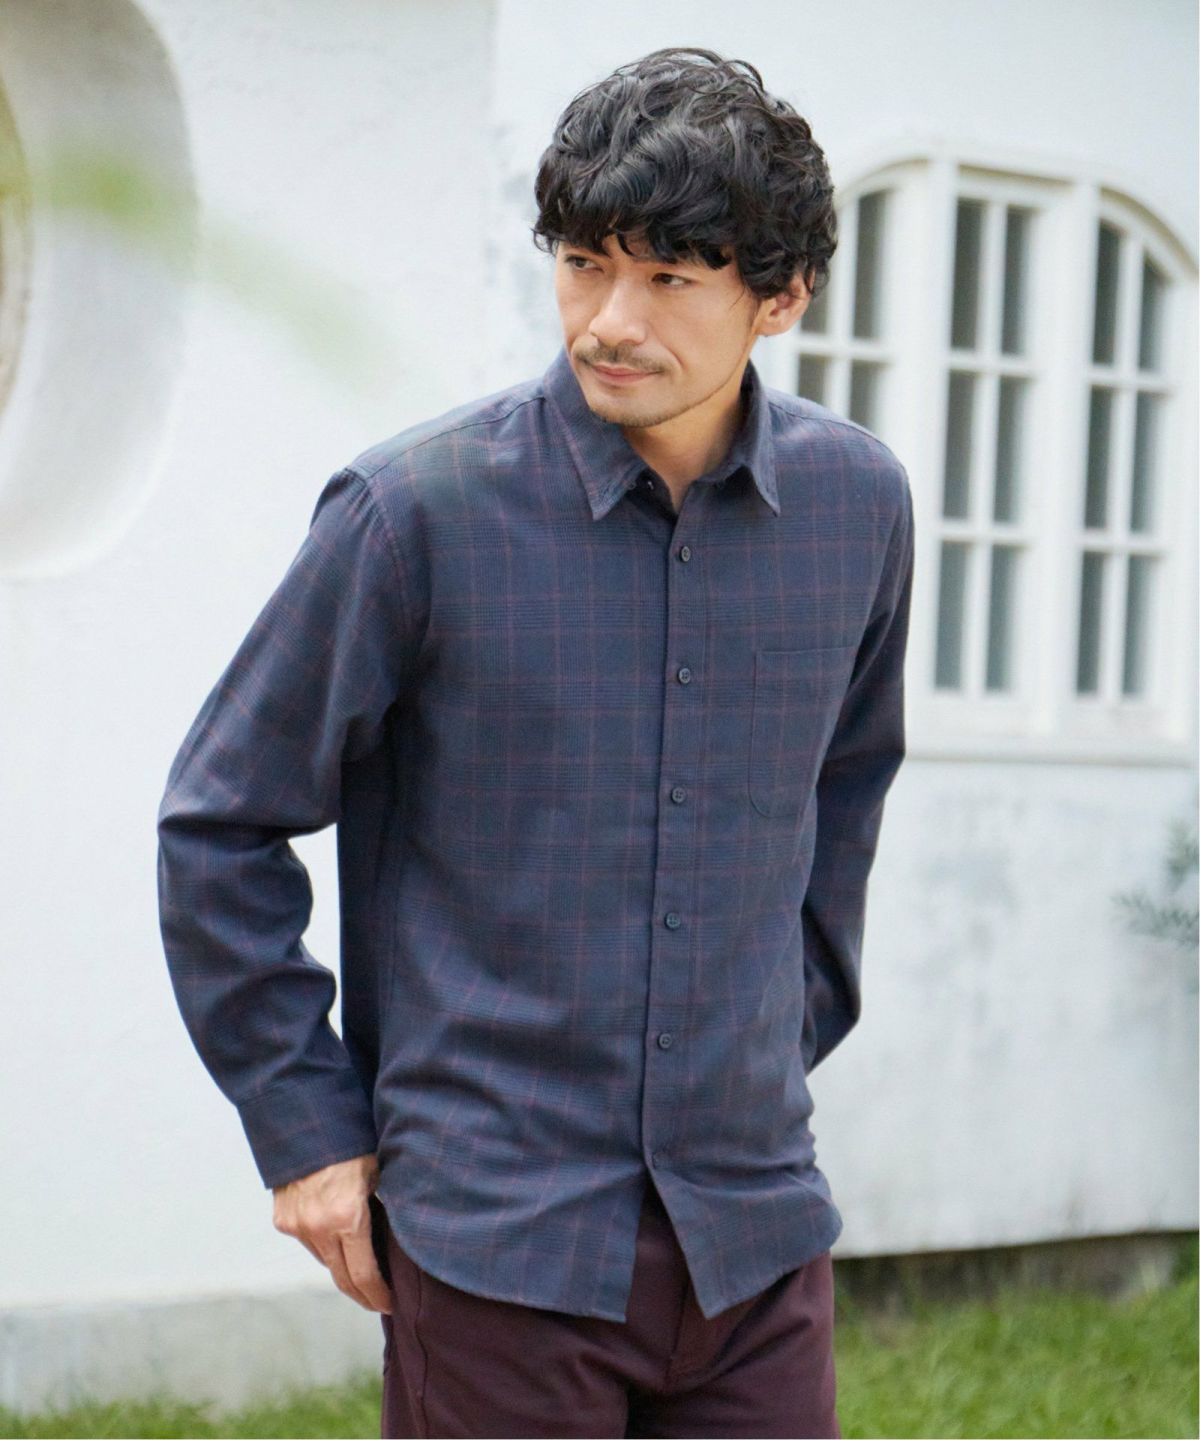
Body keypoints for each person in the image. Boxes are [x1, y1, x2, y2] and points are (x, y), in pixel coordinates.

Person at [157, 45, 914, 1440]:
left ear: (783, 296)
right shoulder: (413, 514)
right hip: (496, 1243)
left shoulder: (858, 507)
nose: (611, 320)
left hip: (752, 1234)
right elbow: (222, 822)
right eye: (584, 264)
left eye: (669, 278)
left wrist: (775, 1037)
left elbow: (847, 788)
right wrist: (306, 1128)